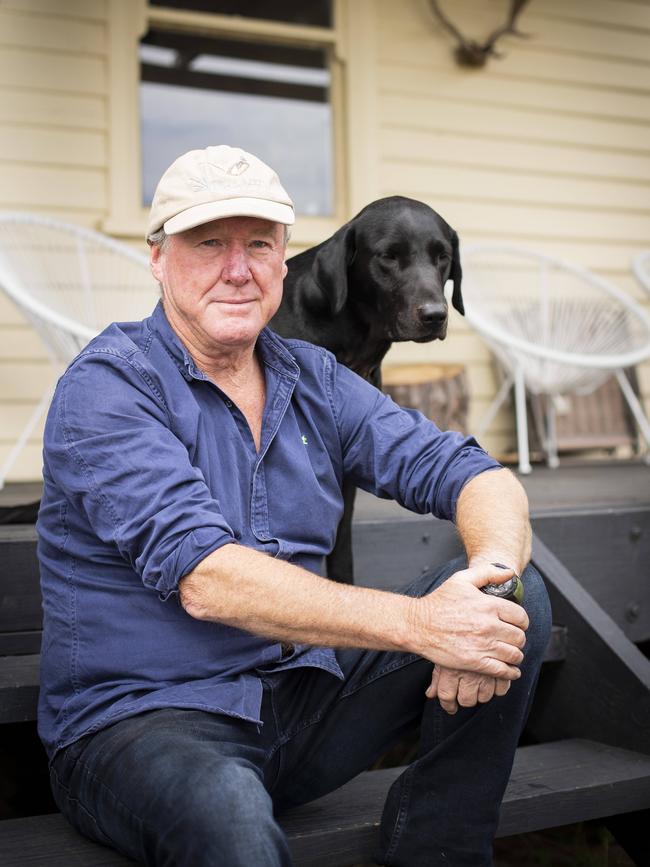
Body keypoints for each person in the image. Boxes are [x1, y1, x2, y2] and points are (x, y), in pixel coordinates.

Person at [37, 144, 551, 867]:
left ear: (286, 258)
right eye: (209, 243)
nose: (238, 268)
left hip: (300, 702)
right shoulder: (110, 386)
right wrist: (425, 625)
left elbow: (470, 472)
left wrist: (489, 582)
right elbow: (210, 579)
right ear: (158, 259)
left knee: (516, 602)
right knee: (229, 811)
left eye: (259, 244)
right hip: (143, 722)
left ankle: (436, 850)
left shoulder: (314, 377)